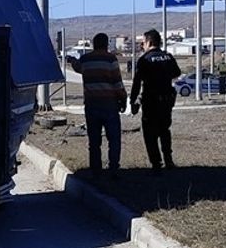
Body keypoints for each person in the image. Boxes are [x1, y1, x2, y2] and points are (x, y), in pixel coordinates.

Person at [66, 33, 127, 178]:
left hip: (92, 104)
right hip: (109, 104)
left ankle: (96, 170)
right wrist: (123, 98)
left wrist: (73, 60)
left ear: (94, 44)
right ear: (106, 44)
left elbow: (78, 68)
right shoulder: (111, 59)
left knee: (94, 140)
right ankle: (113, 168)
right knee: (114, 139)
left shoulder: (86, 59)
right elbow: (117, 82)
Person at [130, 29, 182, 174]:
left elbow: (137, 82)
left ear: (149, 42)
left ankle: (156, 162)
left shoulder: (145, 60)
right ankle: (168, 160)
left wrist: (132, 101)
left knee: (150, 133)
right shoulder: (168, 57)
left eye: (143, 43)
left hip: (150, 101)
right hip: (166, 100)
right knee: (164, 130)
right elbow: (176, 73)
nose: (142, 46)